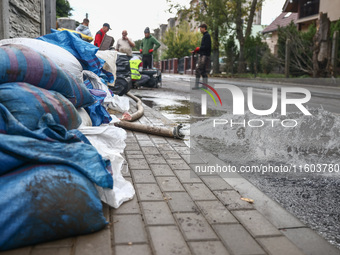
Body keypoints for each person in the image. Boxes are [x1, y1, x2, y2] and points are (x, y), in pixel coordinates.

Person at [192, 23, 211, 89]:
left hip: (204, 56)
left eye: (200, 28)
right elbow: (204, 47)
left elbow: (206, 47)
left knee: (198, 69)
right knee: (203, 71)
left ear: (204, 28)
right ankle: (205, 86)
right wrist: (197, 51)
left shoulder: (207, 36)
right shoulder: (205, 36)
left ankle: (197, 85)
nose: (200, 30)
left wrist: (199, 48)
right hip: (203, 54)